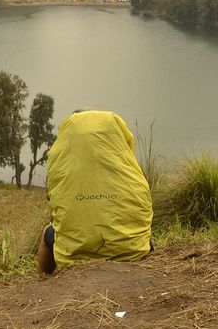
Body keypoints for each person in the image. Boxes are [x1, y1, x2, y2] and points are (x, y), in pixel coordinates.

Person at [37, 109, 153, 275]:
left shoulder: (63, 170)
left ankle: (43, 279)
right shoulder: (128, 171)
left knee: (48, 232)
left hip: (75, 257)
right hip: (131, 251)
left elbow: (56, 213)